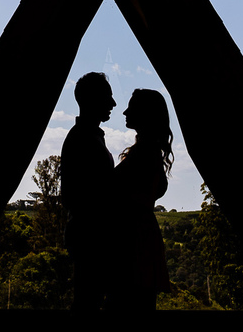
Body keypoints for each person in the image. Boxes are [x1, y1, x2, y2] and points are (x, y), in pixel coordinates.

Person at [106, 88, 173, 313]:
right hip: (140, 241)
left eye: (132, 107)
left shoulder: (142, 154)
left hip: (132, 244)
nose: (125, 111)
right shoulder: (149, 153)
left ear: (145, 114)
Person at [61, 71, 116, 311]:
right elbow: (75, 196)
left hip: (89, 236)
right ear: (93, 100)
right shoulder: (83, 139)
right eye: (108, 97)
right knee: (88, 302)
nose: (113, 103)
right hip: (91, 237)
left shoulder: (86, 136)